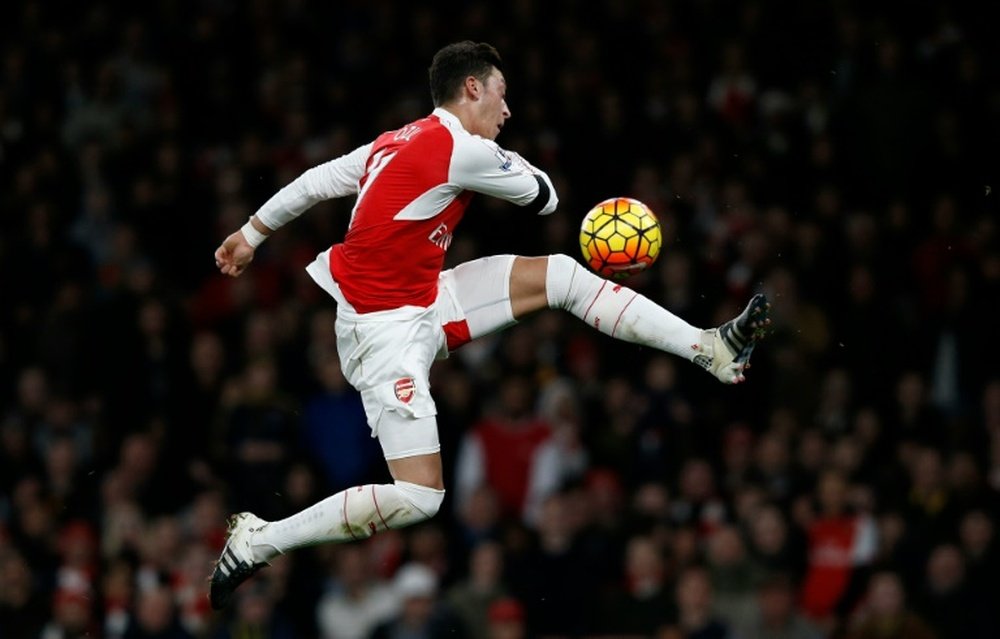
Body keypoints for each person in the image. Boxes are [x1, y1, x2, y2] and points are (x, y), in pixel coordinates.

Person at [208, 40, 770, 609]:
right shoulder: (458, 148)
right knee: (421, 497)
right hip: (383, 336)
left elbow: (316, 181)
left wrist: (251, 234)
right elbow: (545, 198)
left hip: (425, 298)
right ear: (472, 88)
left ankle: (710, 347)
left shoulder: (395, 140)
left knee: (560, 277)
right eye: (502, 95)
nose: (507, 113)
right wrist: (513, 163)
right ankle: (262, 538)